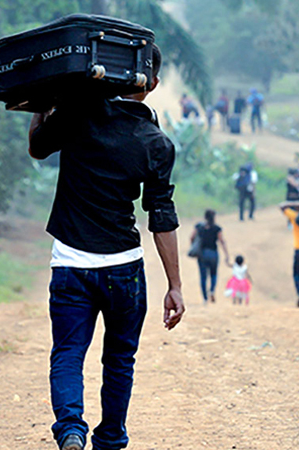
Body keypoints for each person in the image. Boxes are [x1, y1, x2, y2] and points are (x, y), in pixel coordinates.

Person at [28, 44, 185, 450]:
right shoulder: (156, 143)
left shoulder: (78, 113)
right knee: (119, 359)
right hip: (124, 270)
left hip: (71, 263)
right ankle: (111, 438)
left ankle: (70, 430)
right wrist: (175, 285)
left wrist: (44, 102)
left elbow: (37, 146)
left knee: (68, 352)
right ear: (152, 83)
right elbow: (161, 218)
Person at [189, 209, 230, 304]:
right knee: (213, 274)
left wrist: (194, 247)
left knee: (203, 277)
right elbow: (221, 241)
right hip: (213, 253)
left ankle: (205, 298)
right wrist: (226, 254)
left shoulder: (199, 227)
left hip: (202, 254)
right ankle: (212, 290)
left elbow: (192, 237)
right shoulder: (217, 228)